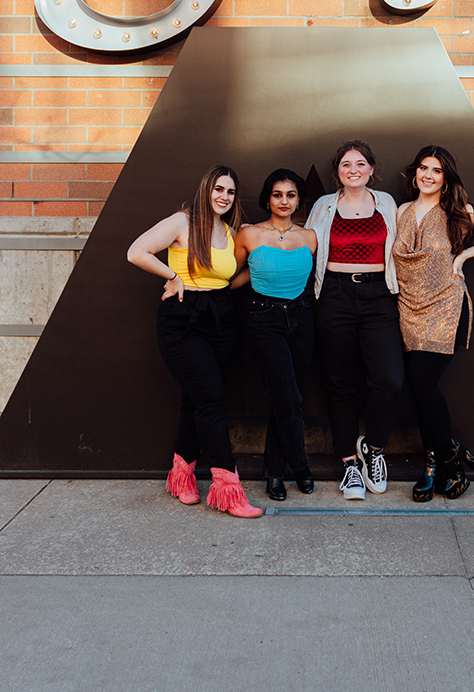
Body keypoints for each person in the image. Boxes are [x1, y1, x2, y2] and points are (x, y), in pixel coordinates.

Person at [127, 164, 262, 519]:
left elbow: (229, 277)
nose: (224, 196)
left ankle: (181, 476)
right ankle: (227, 488)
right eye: (219, 189)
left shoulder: (231, 232)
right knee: (212, 400)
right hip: (183, 318)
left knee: (197, 398)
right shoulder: (182, 222)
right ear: (206, 190)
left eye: (230, 192)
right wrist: (173, 276)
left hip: (221, 315)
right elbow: (136, 251)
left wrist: (259, 261)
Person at [393, 145, 474, 502]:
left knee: (421, 380)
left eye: (437, 171)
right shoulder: (401, 211)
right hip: (407, 307)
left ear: (446, 179)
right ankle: (438, 463)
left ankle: (446, 457)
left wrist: (464, 254)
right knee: (418, 389)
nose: (428, 175)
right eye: (423, 168)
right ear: (414, 173)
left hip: (444, 306)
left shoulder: (457, 210)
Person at [306, 140, 405, 500]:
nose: (354, 170)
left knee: (389, 380)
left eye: (360, 164)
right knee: (340, 383)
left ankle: (374, 450)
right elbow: (307, 246)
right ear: (338, 172)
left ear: (371, 169)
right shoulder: (324, 205)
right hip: (334, 295)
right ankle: (349, 464)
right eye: (346, 164)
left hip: (379, 295)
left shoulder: (387, 204)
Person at [234, 169, 317, 501]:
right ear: (268, 198)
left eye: (291, 194)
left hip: (301, 319)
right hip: (264, 318)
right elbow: (235, 274)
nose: (285, 201)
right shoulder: (249, 234)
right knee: (288, 398)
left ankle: (273, 472)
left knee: (289, 398)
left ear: (298, 200)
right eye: (278, 194)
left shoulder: (310, 236)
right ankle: (300, 465)